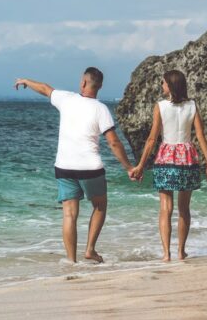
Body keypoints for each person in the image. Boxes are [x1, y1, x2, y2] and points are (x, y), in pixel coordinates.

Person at [15, 67, 136, 264]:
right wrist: (129, 167)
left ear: (83, 83)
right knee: (100, 205)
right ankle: (90, 250)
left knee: (69, 215)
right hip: (90, 168)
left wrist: (26, 81)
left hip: (64, 166)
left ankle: (71, 261)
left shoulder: (66, 99)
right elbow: (114, 142)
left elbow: (45, 89)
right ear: (100, 86)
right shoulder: (101, 109)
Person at [129, 70, 207, 261]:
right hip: (187, 158)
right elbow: (200, 136)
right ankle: (181, 251)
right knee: (184, 208)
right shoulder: (192, 106)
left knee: (165, 208)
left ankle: (166, 253)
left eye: (163, 83)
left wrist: (141, 165)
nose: (161, 85)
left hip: (166, 157)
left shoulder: (160, 106)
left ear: (170, 85)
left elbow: (152, 139)